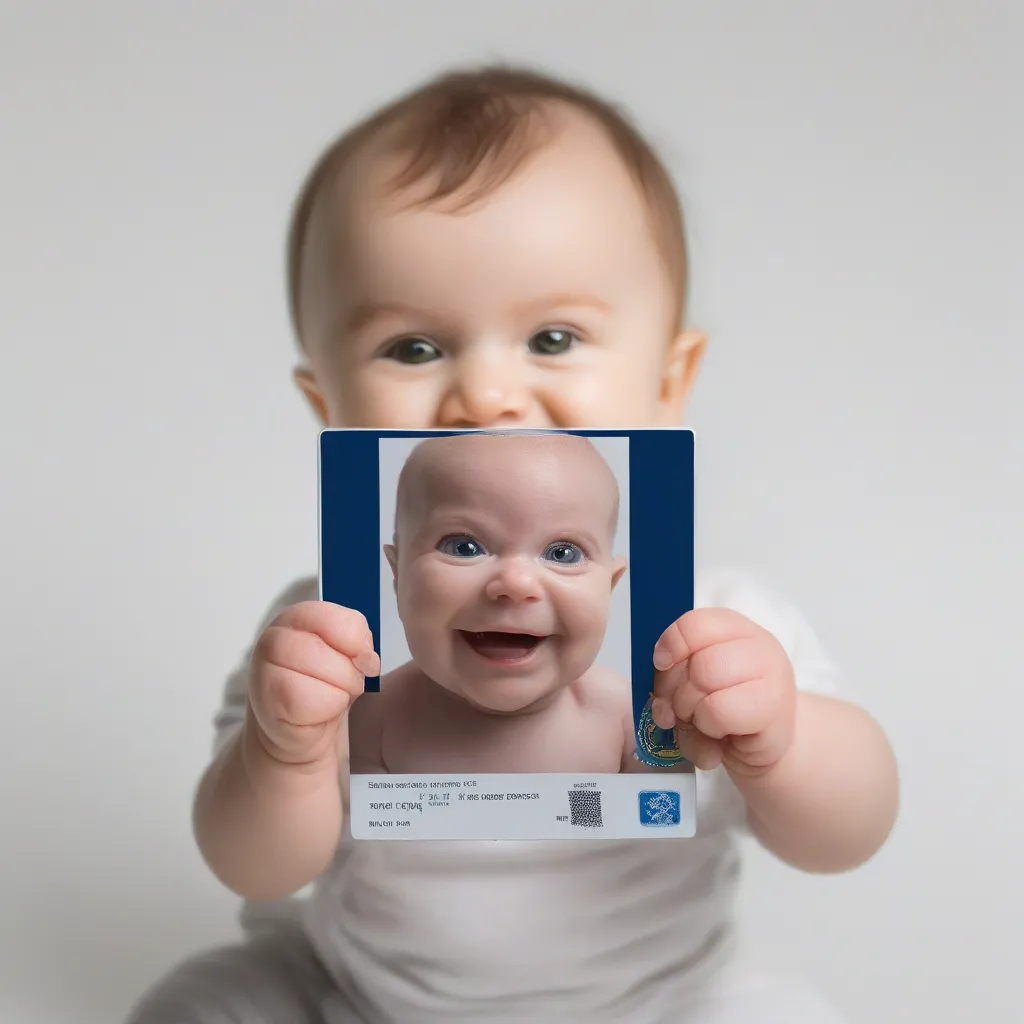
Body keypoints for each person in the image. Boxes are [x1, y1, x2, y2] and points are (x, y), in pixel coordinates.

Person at [126, 64, 899, 1023]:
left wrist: (779, 739)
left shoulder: (707, 634)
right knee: (202, 1003)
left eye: (554, 337)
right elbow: (254, 864)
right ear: (328, 405)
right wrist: (285, 754)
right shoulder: (330, 643)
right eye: (414, 348)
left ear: (669, 381)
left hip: (661, 1003)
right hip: (362, 1000)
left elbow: (850, 834)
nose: (488, 395)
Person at [352, 431, 654, 777]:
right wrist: (293, 757)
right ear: (398, 574)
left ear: (610, 586)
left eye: (562, 553)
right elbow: (312, 831)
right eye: (463, 547)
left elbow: (672, 819)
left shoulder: (631, 718)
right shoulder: (370, 716)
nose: (515, 583)